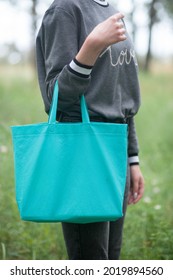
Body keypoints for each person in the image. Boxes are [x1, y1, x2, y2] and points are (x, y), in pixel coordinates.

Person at [36, 0, 145, 260]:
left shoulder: (111, 9)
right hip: (83, 152)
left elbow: (120, 94)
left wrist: (132, 158)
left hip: (116, 148)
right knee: (91, 261)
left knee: (111, 259)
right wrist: (91, 47)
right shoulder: (64, 9)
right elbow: (55, 99)